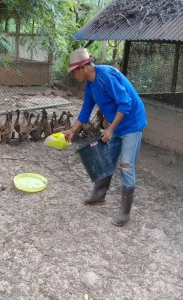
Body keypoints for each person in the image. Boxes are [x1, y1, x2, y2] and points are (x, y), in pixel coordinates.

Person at [64, 47, 147, 227]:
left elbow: (126, 104)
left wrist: (110, 130)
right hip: (117, 125)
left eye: (73, 72)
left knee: (126, 165)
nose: (73, 76)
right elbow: (86, 110)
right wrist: (73, 130)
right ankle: (99, 195)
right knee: (106, 159)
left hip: (132, 124)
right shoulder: (90, 85)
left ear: (83, 68)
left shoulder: (105, 76)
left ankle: (124, 213)